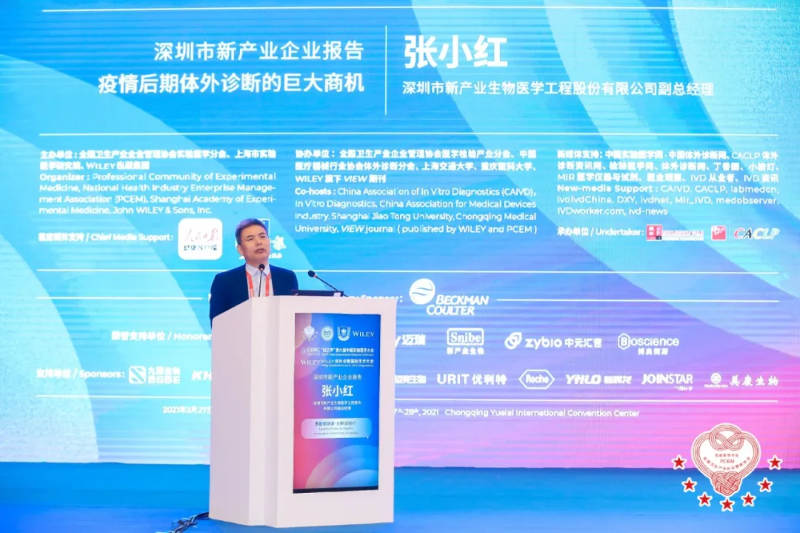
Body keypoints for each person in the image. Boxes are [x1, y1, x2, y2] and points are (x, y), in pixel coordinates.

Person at [209, 218, 298, 326]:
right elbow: (217, 323)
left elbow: (294, 319)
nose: (258, 242)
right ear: (240, 250)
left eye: (262, 236)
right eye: (250, 239)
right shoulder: (224, 281)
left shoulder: (287, 277)